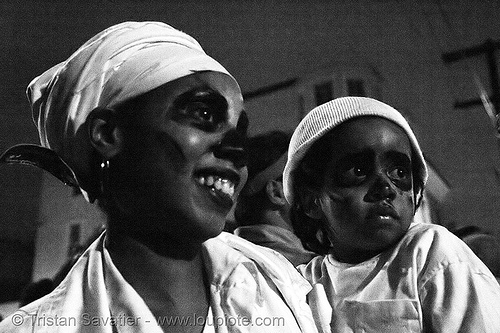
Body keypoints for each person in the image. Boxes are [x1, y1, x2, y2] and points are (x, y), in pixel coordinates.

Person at [0, 22, 317, 332]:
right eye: (204, 115)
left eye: (240, 130)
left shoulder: (289, 288)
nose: (237, 150)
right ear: (108, 134)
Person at [283, 96, 500, 332]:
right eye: (358, 171)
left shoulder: (429, 250)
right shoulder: (303, 283)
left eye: (399, 171)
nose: (386, 188)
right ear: (311, 201)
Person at [233, 131, 316, 267]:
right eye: (302, 178)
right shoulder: (306, 270)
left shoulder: (232, 254)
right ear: (276, 192)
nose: (314, 190)